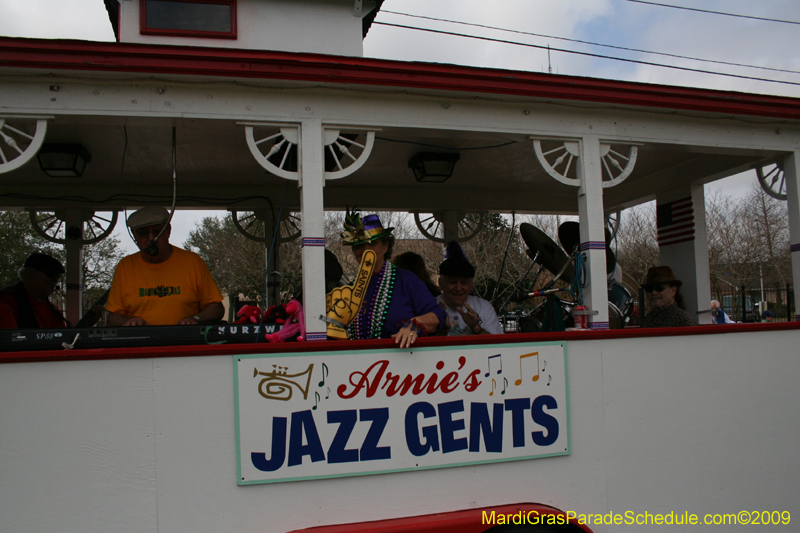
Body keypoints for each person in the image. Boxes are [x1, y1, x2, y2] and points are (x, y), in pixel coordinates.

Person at [341, 211, 445, 347]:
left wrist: (414, 324)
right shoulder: (347, 290)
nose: (366, 250)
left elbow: (438, 316)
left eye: (372, 243)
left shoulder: (407, 281)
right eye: (359, 245)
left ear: (386, 246)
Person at [106, 206, 224, 326]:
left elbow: (216, 308)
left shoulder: (192, 262)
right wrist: (128, 321)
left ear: (168, 230)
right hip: (140, 342)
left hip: (184, 340)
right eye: (143, 233)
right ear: (134, 235)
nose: (151, 238)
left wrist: (195, 318)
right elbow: (113, 316)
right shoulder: (125, 267)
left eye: (157, 232)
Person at [436, 245, 503, 336]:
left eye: (464, 283)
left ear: (471, 285)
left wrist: (476, 328)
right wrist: (442, 330)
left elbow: (498, 346)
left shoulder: (484, 307)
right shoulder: (430, 308)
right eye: (452, 282)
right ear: (440, 283)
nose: (459, 288)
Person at [0, 253, 67, 329]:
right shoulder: (8, 301)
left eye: (57, 276)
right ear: (30, 273)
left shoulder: (52, 308)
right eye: (50, 274)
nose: (55, 279)